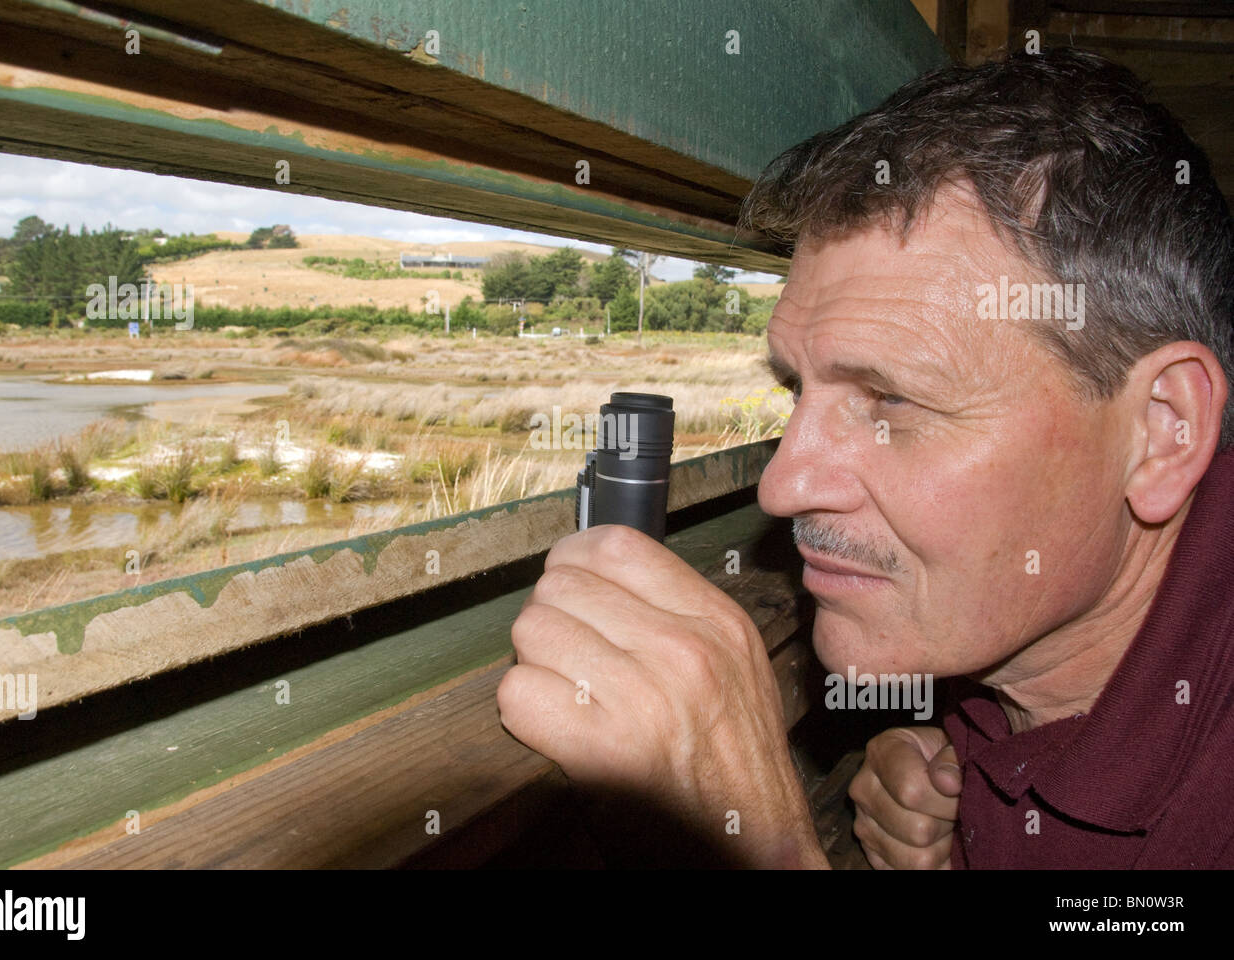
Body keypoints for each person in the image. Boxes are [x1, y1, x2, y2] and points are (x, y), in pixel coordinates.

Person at [496, 47, 1234, 868]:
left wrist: (761, 848)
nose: (783, 486)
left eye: (891, 402)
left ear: (1163, 429)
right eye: (795, 389)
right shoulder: (1006, 641)